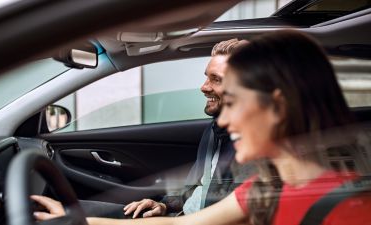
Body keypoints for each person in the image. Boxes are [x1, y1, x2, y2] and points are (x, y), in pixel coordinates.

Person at [89, 30, 371, 225]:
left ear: (277, 106)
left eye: (234, 102)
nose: (222, 121)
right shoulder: (260, 191)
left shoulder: (352, 210)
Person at [31, 38, 254, 220]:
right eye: (206, 76)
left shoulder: (256, 156)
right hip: (180, 217)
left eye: (216, 79)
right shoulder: (214, 130)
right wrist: (164, 205)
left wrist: (79, 221)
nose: (203, 87)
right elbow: (196, 187)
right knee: (57, 210)